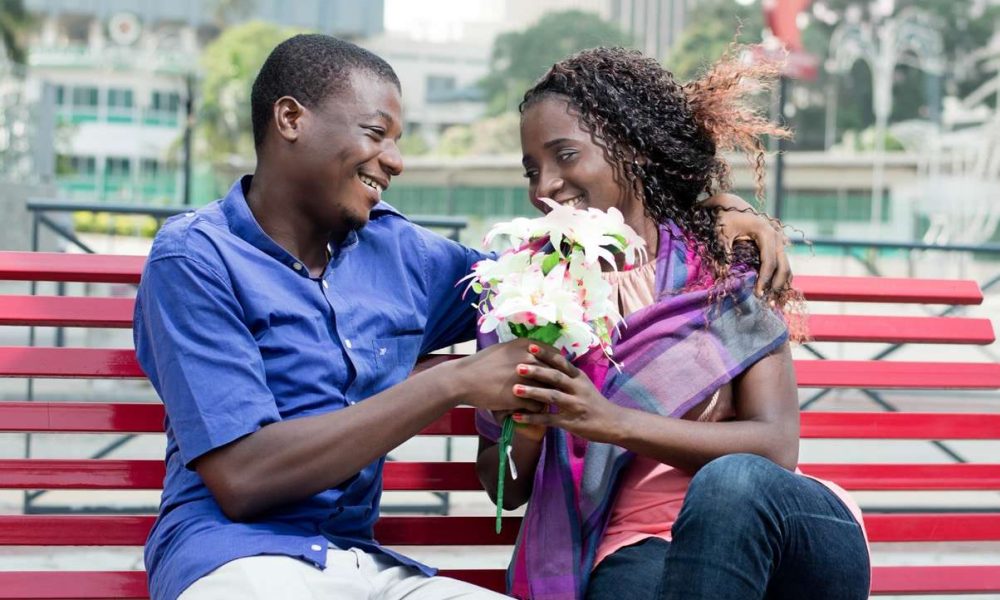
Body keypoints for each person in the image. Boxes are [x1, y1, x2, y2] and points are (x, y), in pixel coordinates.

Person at [134, 34, 794, 600]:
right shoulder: (195, 260)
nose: (394, 160)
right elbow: (245, 479)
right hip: (233, 558)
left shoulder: (403, 257)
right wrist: (452, 381)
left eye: (396, 140)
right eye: (375, 133)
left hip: (367, 567)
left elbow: (550, 272)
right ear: (290, 119)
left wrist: (712, 211)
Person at [475, 47, 870, 600]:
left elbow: (775, 447)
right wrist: (532, 428)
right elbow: (505, 490)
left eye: (566, 155)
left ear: (632, 150)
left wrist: (609, 420)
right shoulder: (524, 292)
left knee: (728, 485)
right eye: (532, 170)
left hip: (781, 529)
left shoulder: (723, 261)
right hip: (632, 544)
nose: (546, 186)